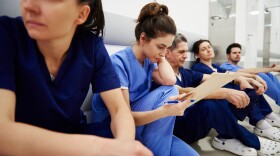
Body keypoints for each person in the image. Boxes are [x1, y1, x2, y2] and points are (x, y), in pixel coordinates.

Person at [0, 0, 153, 155]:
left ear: (81, 14)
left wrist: (124, 146)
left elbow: (119, 109)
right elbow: (3, 132)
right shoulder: (6, 34)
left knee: (134, 139)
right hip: (23, 144)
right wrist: (100, 148)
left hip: (73, 133)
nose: (28, 6)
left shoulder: (91, 46)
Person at [92, 3, 199, 156]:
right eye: (160, 46)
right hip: (118, 126)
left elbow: (170, 81)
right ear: (143, 38)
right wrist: (163, 112)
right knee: (170, 91)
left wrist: (160, 57)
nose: (164, 53)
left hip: (144, 121)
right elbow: (123, 117)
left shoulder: (149, 61)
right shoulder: (119, 62)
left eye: (167, 48)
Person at [162, 33, 280, 155]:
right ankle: (254, 141)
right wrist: (224, 93)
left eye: (186, 52)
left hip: (202, 122)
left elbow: (214, 76)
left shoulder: (185, 72)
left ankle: (231, 134)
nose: (185, 56)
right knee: (209, 104)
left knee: (248, 89)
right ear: (167, 52)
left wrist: (245, 79)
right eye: (181, 52)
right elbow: (181, 92)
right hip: (183, 129)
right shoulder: (162, 76)